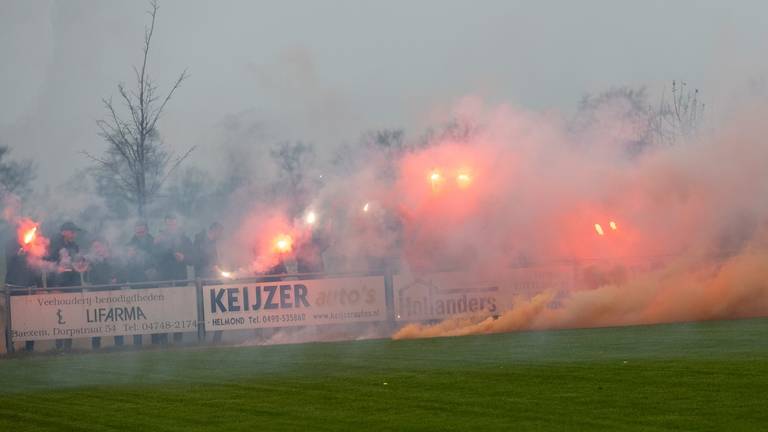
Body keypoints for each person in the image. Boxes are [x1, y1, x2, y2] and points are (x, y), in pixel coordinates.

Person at [154, 215, 192, 343]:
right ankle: (163, 339)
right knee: (164, 309)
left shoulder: (185, 239)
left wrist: (184, 258)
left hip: (180, 280)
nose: (171, 226)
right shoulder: (159, 240)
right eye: (169, 224)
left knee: (178, 310)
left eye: (173, 224)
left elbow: (193, 258)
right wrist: (157, 245)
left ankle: (178, 339)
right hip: (164, 279)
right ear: (165, 225)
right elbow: (153, 260)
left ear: (177, 224)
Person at [45, 221, 83, 351]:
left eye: (74, 231)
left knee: (70, 316)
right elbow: (46, 263)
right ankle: (59, 346)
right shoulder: (54, 245)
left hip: (72, 285)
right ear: (63, 232)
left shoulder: (76, 246)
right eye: (71, 231)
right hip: (57, 285)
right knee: (59, 316)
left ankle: (68, 346)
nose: (74, 233)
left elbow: (77, 264)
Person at [5, 235, 40, 352]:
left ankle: (30, 347)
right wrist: (17, 256)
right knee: (12, 320)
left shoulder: (32, 250)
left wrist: (37, 285)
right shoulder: (11, 247)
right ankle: (10, 347)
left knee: (30, 319)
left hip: (29, 289)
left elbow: (35, 269)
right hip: (14, 290)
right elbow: (9, 264)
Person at [85, 239, 119, 349]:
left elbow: (120, 272)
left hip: (112, 294)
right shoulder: (90, 262)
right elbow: (88, 279)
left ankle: (119, 345)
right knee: (97, 321)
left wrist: (116, 279)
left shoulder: (113, 259)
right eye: (95, 247)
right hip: (97, 294)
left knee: (115, 319)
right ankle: (96, 347)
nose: (97, 249)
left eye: (99, 246)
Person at [125, 221, 155, 346]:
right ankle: (137, 344)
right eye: (137, 232)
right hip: (136, 284)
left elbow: (160, 259)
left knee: (153, 315)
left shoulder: (155, 243)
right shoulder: (129, 245)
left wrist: (153, 269)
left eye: (142, 232)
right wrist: (129, 257)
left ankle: (156, 342)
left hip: (152, 284)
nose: (140, 234)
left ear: (147, 231)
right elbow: (126, 265)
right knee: (137, 316)